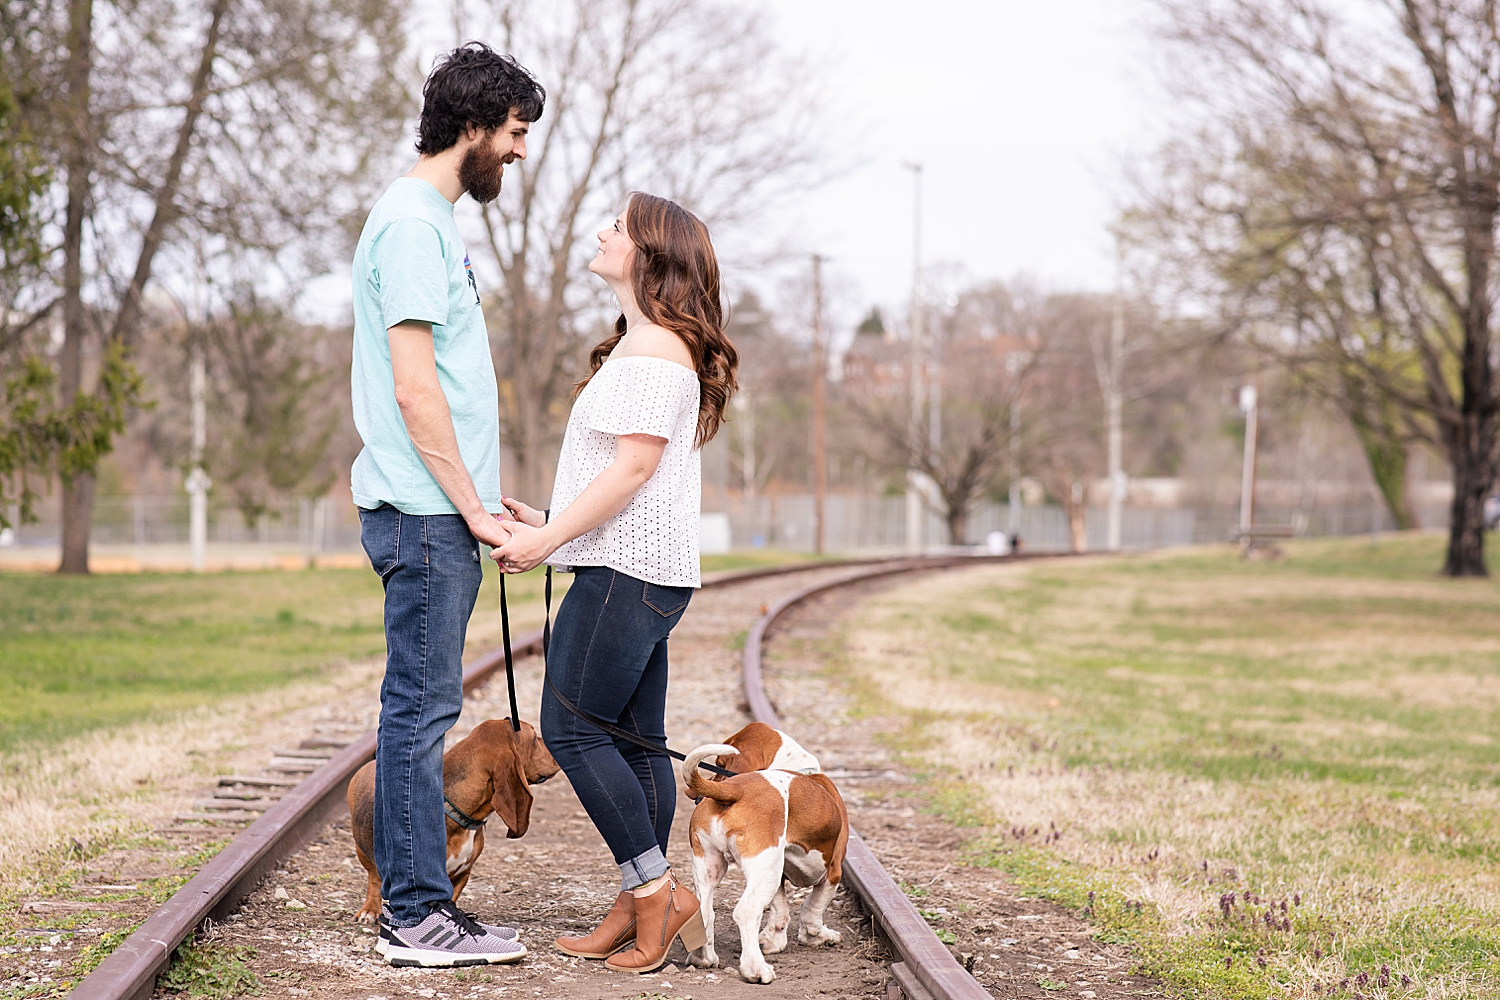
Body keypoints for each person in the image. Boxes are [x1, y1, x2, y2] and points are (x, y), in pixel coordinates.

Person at [493, 192, 738, 974]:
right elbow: (630, 473)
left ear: (649, 256)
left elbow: (633, 470)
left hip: (622, 573)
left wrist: (545, 540)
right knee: (631, 745)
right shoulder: (654, 346)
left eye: (619, 228)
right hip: (640, 569)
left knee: (570, 732)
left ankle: (657, 893)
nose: (603, 232)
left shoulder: (654, 351)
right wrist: (551, 515)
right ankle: (644, 902)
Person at [348, 42, 545, 968]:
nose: (516, 151)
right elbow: (415, 391)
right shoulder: (413, 226)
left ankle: (423, 907)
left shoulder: (427, 221)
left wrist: (474, 488)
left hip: (436, 507)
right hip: (427, 518)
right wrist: (466, 507)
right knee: (418, 716)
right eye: (511, 133)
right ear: (471, 125)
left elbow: (442, 396)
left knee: (418, 710)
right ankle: (414, 915)